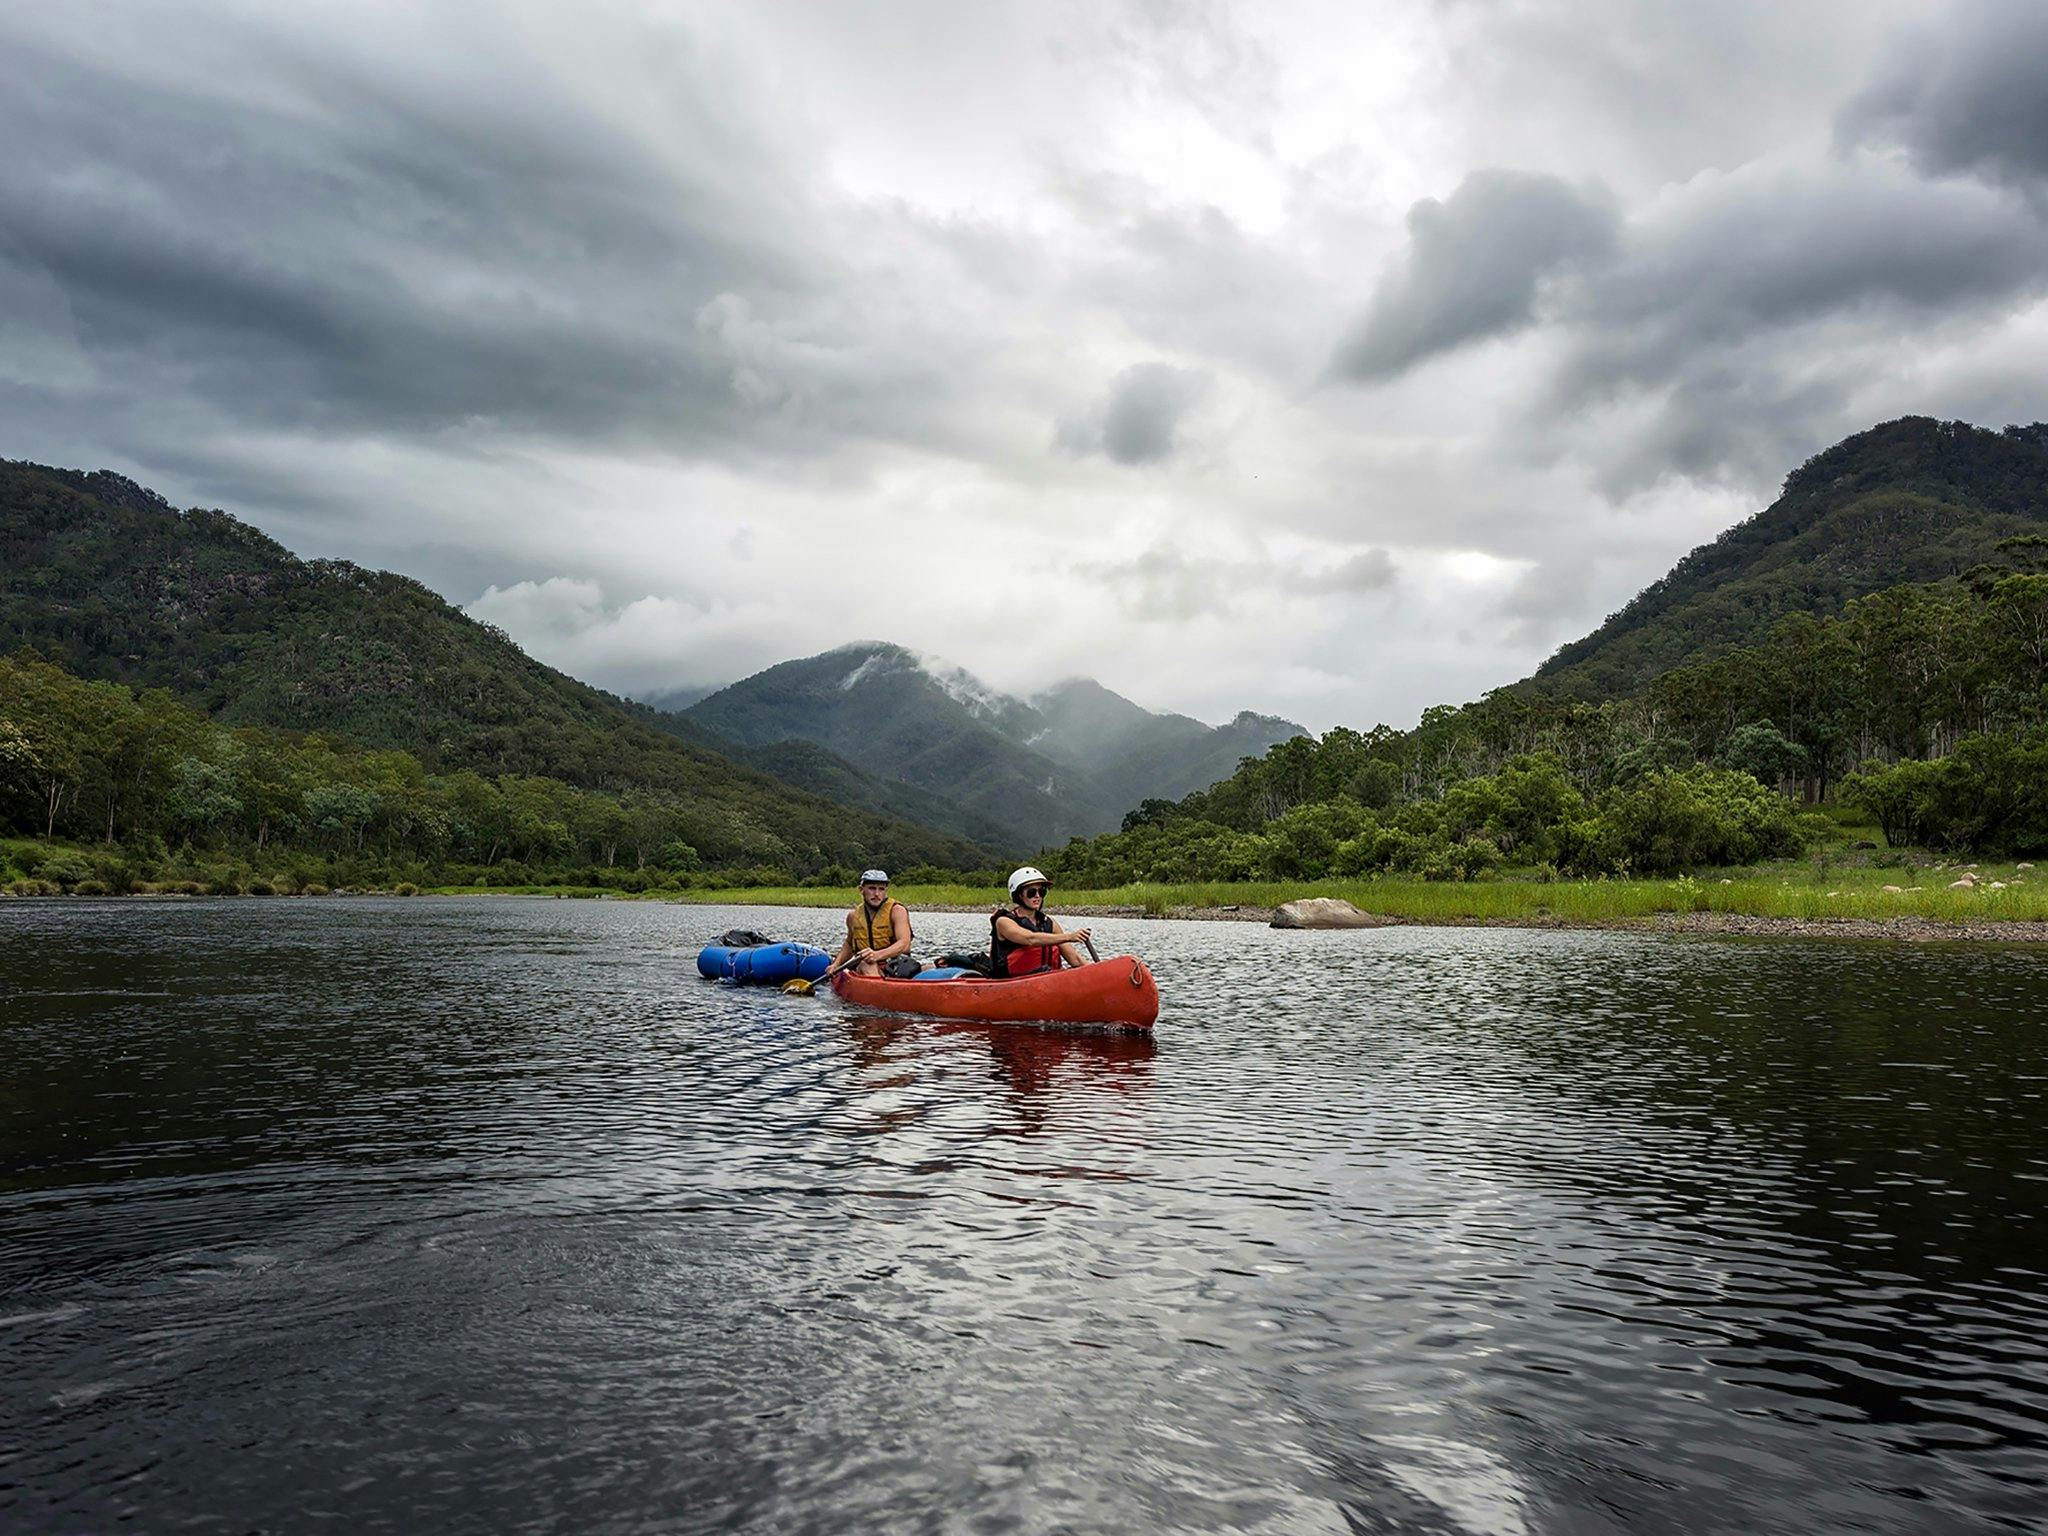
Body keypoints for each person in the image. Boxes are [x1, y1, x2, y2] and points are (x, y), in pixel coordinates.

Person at [989, 865, 1093, 977]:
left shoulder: (1049, 923)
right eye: (1031, 892)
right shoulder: (1004, 922)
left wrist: (1096, 972)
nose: (1037, 896)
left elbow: (1075, 960)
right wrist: (1069, 937)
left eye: (1042, 892)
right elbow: (1030, 939)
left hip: (1047, 980)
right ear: (1019, 895)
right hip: (1011, 982)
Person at [835, 869, 914, 977]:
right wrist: (835, 964)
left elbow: (904, 943)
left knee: (929, 968)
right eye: (872, 888)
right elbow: (849, 944)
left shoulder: (897, 911)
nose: (877, 894)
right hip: (866, 965)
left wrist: (877, 955)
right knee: (866, 964)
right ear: (861, 890)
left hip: (896, 967)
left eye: (881, 889)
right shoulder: (853, 916)